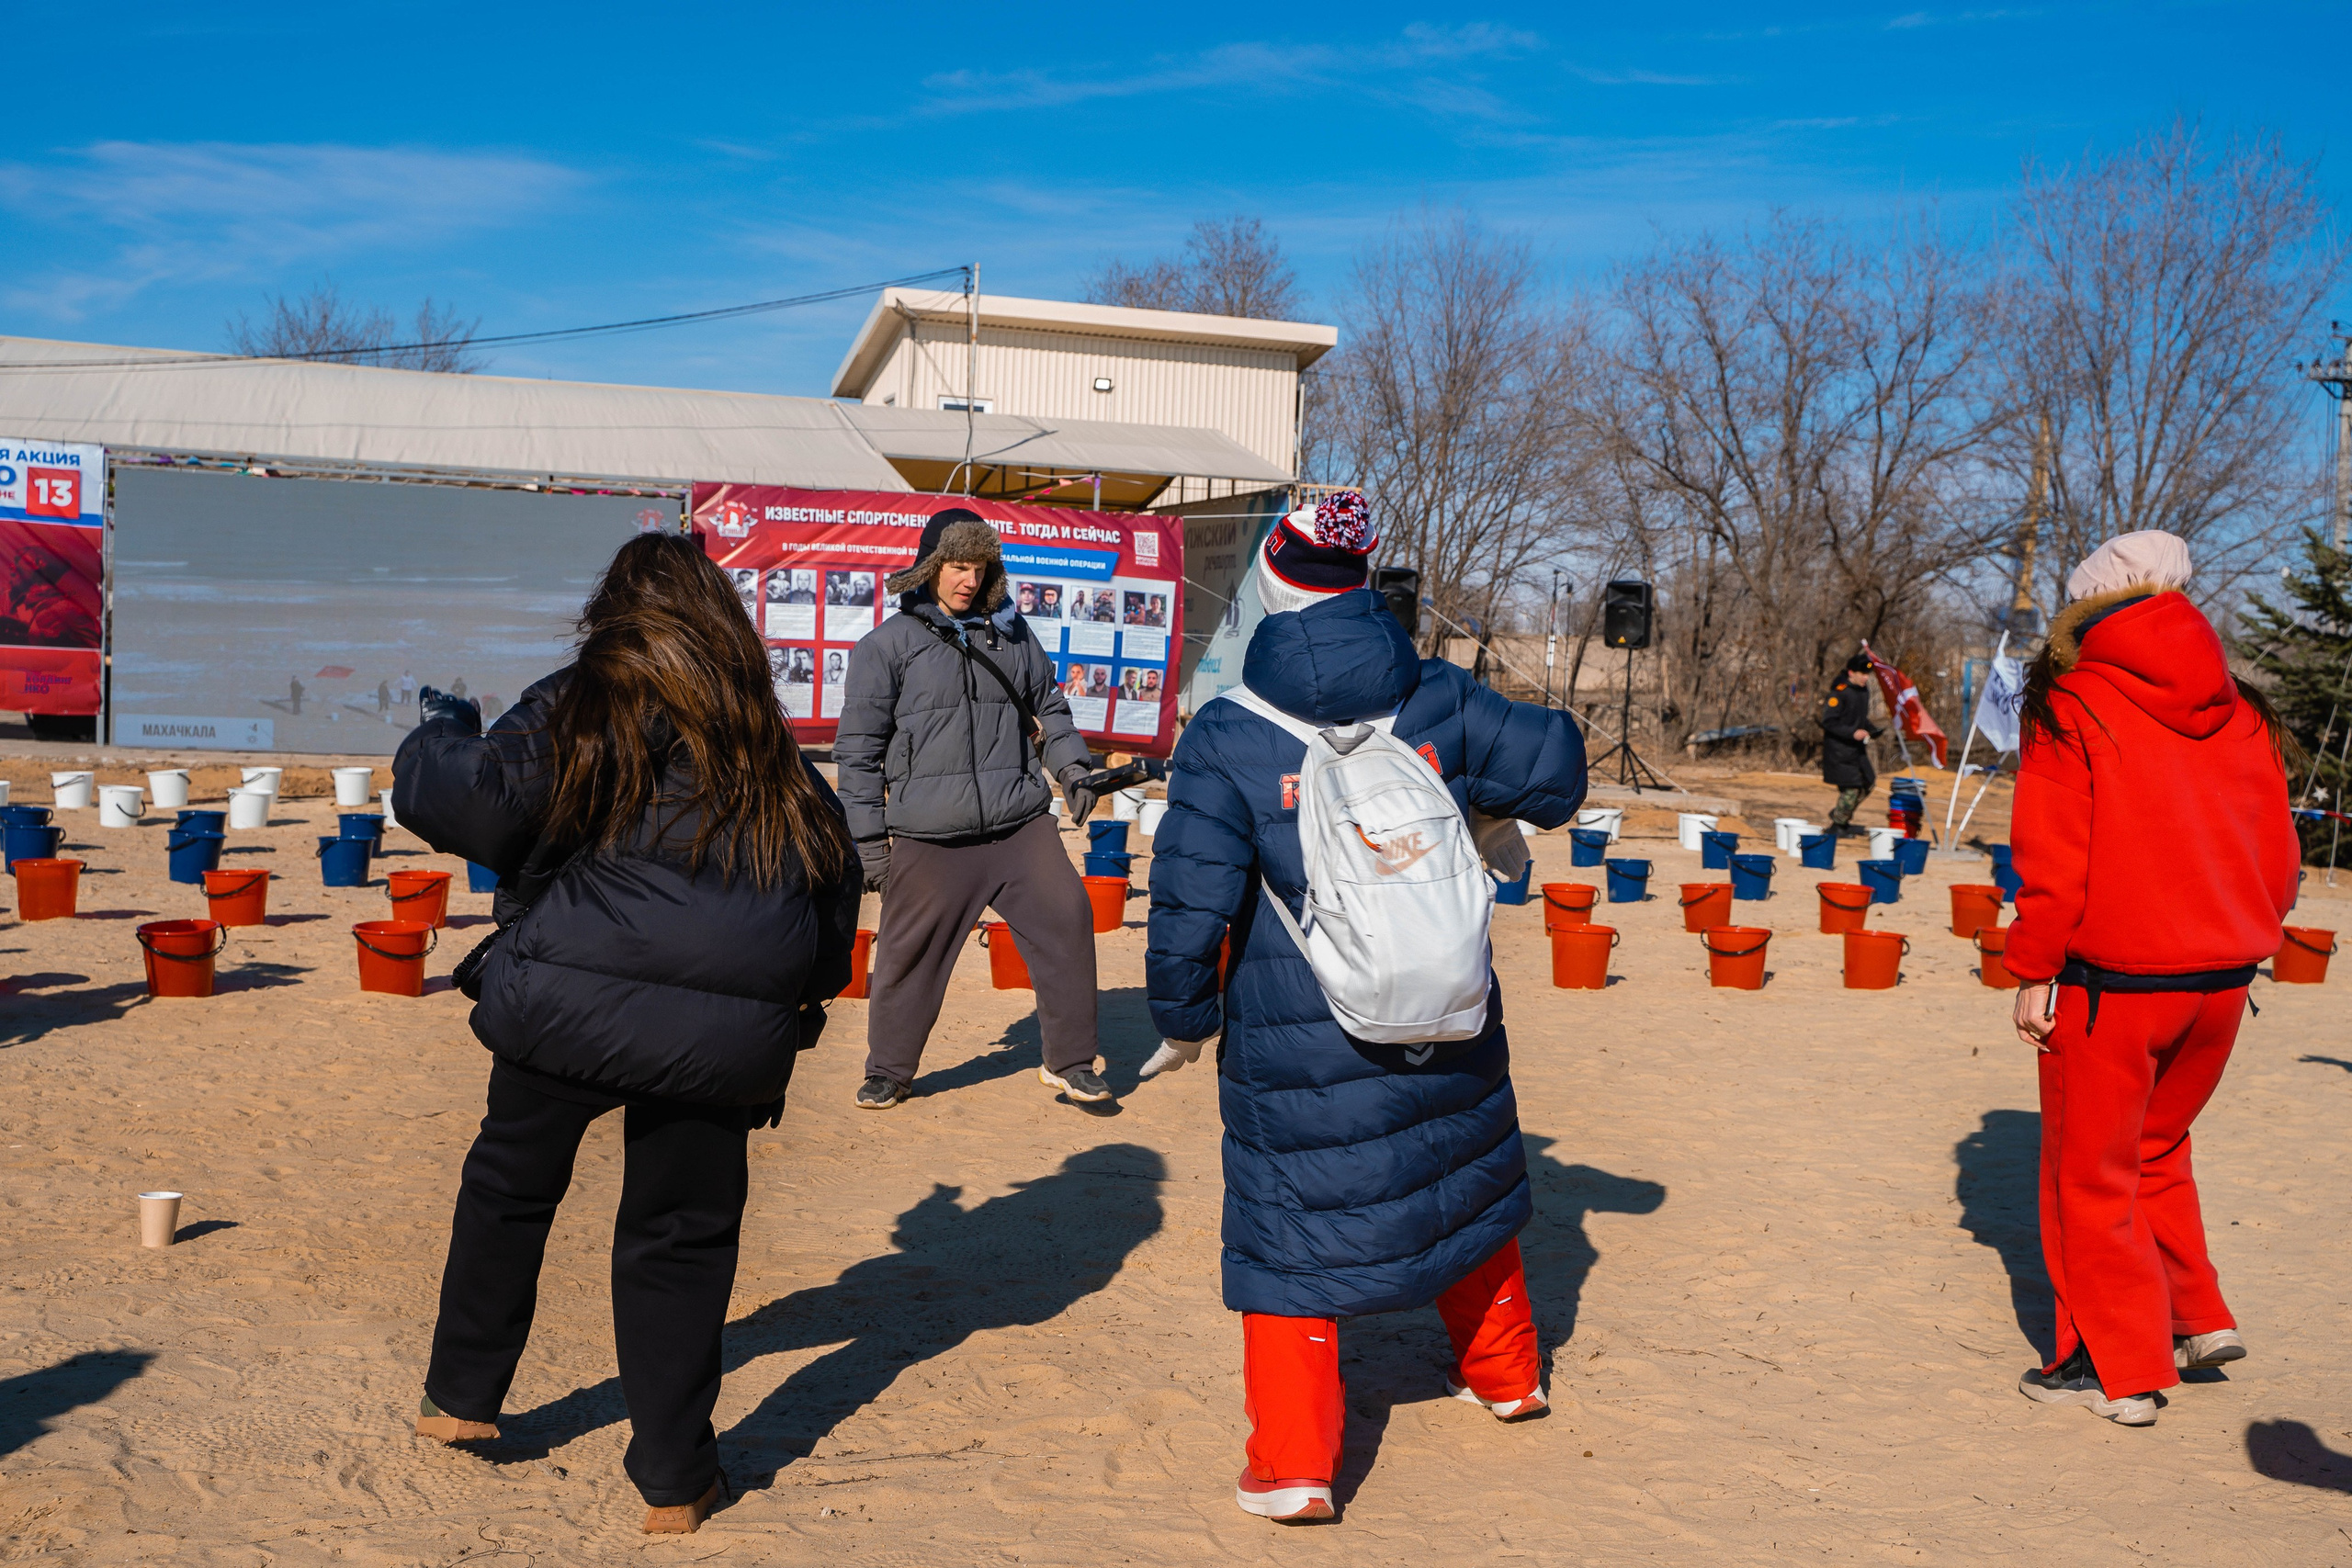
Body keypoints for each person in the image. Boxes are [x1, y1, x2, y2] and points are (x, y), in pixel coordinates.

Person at [393, 533, 860, 1534]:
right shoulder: (758, 730)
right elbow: (833, 879)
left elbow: (474, 801)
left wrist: (439, 730)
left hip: (568, 999)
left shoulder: (588, 694)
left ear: (612, 612)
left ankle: (461, 1398)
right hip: (718, 1033)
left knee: (509, 1188)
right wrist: (791, 997)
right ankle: (675, 1481)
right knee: (682, 1239)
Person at [1141, 491, 1588, 1523]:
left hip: (1301, 1025)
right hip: (1450, 1001)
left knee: (1288, 1233)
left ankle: (1296, 1465)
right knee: (1467, 1182)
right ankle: (1509, 1377)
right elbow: (1560, 775)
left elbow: (1190, 900)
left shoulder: (1227, 732)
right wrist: (1476, 790)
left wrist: (1183, 1017)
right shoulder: (1440, 694)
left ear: (1271, 590)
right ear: (1359, 589)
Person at [2003, 530, 2301, 1427]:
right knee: (2158, 1148)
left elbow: (2054, 856)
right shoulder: (2243, 707)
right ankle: (2195, 1316)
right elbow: (2280, 857)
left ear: (2089, 605)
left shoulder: (2071, 701)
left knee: (2087, 1176)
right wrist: (2238, 927)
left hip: (2115, 982)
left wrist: (2032, 969)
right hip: (2225, 978)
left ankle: (2111, 1369)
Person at [834, 507, 1114, 1110]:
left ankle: (1071, 1062)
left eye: (980, 567)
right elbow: (858, 756)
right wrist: (871, 845)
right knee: (908, 954)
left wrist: (1073, 769)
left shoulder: (1012, 634)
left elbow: (1049, 706)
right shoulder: (885, 647)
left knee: (1068, 916)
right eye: (958, 565)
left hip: (1019, 824)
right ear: (930, 566)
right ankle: (888, 1071)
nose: (969, 579)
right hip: (930, 834)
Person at [1818, 653, 1880, 834]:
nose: (1866, 678)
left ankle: (1841, 815)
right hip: (1839, 750)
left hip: (1856, 750)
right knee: (1852, 787)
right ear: (1851, 673)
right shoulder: (1840, 692)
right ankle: (1838, 825)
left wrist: (1872, 729)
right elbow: (1829, 722)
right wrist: (1852, 733)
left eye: (1867, 674)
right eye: (1862, 674)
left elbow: (1859, 718)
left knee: (1869, 781)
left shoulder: (1863, 691)